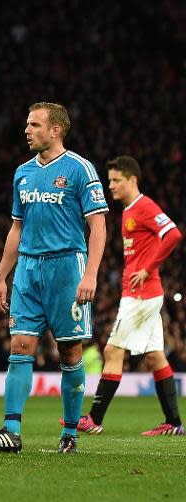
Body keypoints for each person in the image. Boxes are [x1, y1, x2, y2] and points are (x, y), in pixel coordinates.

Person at [0, 102, 108, 454]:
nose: (27, 130)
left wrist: (91, 273)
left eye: (34, 125)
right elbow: (17, 228)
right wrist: (2, 275)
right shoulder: (22, 172)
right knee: (20, 348)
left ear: (55, 130)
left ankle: (69, 433)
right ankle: (11, 430)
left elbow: (98, 225)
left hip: (67, 268)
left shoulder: (80, 169)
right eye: (27, 124)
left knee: (70, 351)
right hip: (29, 270)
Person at [70, 156, 183, 436]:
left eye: (116, 180)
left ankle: (94, 419)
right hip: (141, 292)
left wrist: (147, 268)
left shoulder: (143, 206)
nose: (111, 186)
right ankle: (174, 423)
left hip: (142, 293)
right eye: (109, 181)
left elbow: (172, 234)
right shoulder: (129, 210)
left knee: (112, 350)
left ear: (133, 180)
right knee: (155, 357)